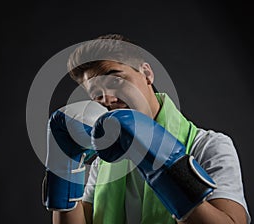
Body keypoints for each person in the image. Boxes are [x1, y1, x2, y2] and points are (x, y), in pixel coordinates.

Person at [44, 34, 251, 224]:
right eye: (96, 93)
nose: (107, 99)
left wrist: (168, 166)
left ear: (147, 74)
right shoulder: (104, 163)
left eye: (116, 80)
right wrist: (64, 171)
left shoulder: (207, 146)